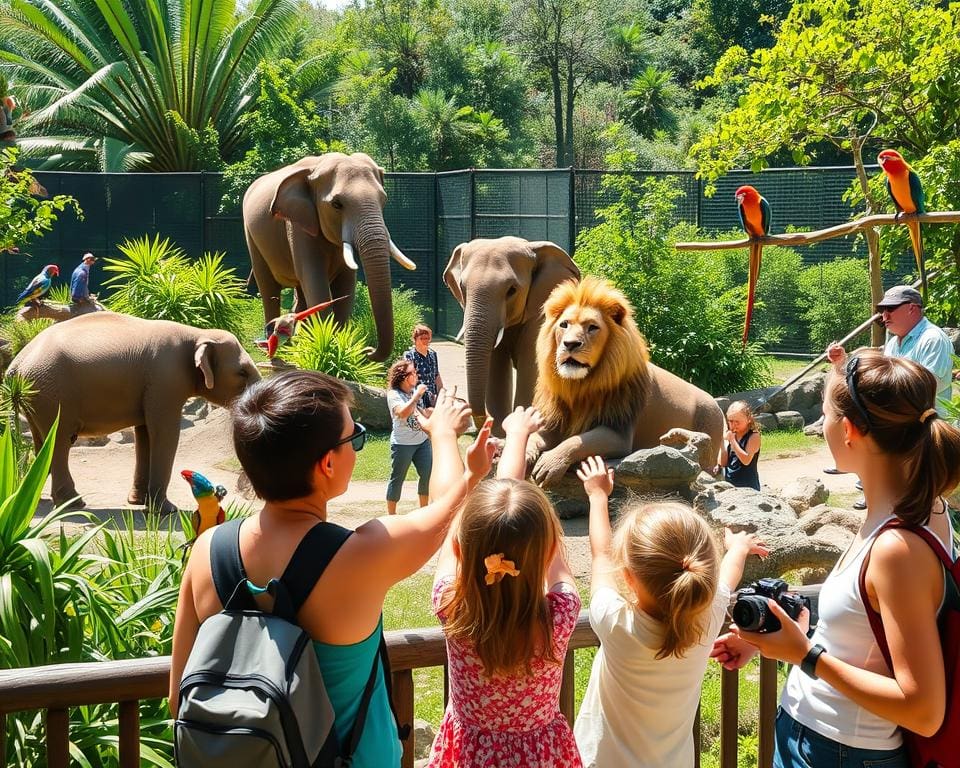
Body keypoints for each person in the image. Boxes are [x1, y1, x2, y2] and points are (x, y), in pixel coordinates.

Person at [169, 371, 494, 767]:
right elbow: (444, 513)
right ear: (326, 463)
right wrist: (452, 446)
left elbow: (178, 697)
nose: (356, 447)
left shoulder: (206, 551)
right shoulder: (360, 555)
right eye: (353, 437)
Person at [711, 350, 960, 768]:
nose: (819, 427)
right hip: (819, 739)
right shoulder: (912, 506)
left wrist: (804, 655)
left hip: (840, 752)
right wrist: (779, 632)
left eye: (823, 415)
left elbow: (923, 709)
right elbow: (868, 619)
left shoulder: (898, 547)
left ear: (848, 430)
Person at [574, 455, 768, 767]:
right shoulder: (709, 614)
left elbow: (601, 557)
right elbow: (727, 580)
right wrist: (740, 548)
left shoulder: (615, 622)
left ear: (628, 577)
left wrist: (598, 496)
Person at [426, 406, 582, 767]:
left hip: (470, 756)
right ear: (548, 550)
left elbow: (451, 515)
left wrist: (469, 469)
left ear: (457, 550)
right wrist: (518, 435)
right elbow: (537, 541)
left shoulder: (450, 604)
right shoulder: (560, 616)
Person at [826, 285, 954, 507]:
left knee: (923, 500)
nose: (883, 316)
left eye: (890, 309)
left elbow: (923, 387)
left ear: (913, 308)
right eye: (882, 310)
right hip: (903, 428)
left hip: (925, 431)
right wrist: (842, 363)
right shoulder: (895, 341)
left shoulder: (933, 339)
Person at [386, 358, 433, 515]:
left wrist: (434, 410)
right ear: (403, 377)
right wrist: (417, 395)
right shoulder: (394, 394)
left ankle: (424, 511)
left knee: (428, 474)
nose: (416, 375)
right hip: (402, 444)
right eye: (412, 372)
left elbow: (420, 412)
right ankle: (392, 516)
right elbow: (402, 413)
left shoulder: (413, 392)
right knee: (397, 479)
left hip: (422, 442)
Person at [716, 400, 762, 490]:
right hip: (730, 485)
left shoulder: (754, 436)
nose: (733, 425)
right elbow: (723, 462)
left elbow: (746, 460)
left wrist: (733, 441)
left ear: (748, 419)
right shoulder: (732, 435)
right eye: (731, 421)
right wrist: (722, 443)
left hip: (748, 487)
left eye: (737, 421)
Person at [404, 324, 443, 408]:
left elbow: (436, 375)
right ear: (415, 340)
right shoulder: (410, 355)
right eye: (422, 338)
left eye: (427, 338)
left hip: (433, 396)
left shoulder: (433, 354)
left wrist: (441, 393)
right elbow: (409, 379)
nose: (425, 341)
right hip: (417, 396)